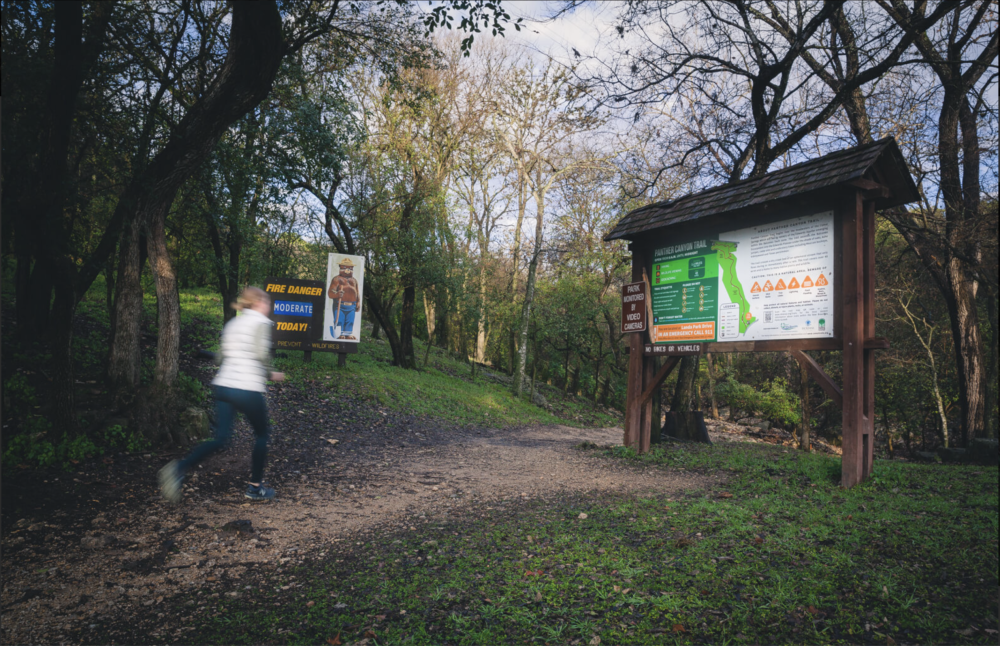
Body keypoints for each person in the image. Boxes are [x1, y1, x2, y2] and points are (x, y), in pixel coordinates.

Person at [158, 286, 285, 503]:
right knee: (262, 435)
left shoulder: (233, 324)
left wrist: (207, 354)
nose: (268, 306)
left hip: (224, 386)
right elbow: (260, 355)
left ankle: (179, 468)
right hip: (247, 387)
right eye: (266, 302)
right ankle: (255, 487)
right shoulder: (260, 323)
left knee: (221, 438)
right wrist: (270, 373)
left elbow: (221, 358)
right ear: (257, 303)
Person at [327, 257, 360, 340]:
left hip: (351, 305)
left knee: (350, 321)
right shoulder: (337, 279)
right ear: (340, 267)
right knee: (339, 320)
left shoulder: (354, 280)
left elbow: (357, 292)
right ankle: (340, 334)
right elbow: (330, 293)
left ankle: (348, 334)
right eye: (344, 267)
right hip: (340, 305)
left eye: (350, 268)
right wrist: (337, 294)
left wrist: (358, 302)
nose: (347, 270)